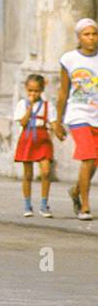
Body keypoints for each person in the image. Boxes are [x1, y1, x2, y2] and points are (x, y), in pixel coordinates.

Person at [53, 18, 98, 221]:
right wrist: (57, 121)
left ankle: (75, 191)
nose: (91, 38)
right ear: (79, 37)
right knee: (87, 157)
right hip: (77, 114)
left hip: (96, 114)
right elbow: (63, 92)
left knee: (94, 162)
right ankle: (85, 207)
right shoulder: (69, 59)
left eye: (94, 34)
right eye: (86, 34)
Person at [15, 73, 54, 218]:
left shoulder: (47, 106)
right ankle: (27, 204)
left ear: (41, 90)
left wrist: (57, 129)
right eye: (30, 91)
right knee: (28, 174)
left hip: (42, 138)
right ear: (26, 89)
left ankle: (44, 204)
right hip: (27, 138)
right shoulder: (22, 104)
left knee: (45, 172)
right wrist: (30, 107)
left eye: (36, 91)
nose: (33, 94)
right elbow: (23, 122)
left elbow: (53, 121)